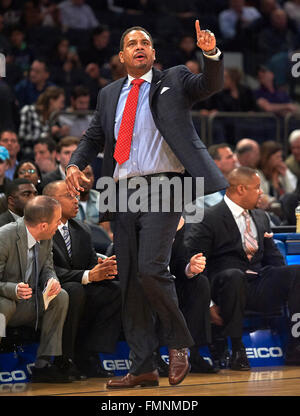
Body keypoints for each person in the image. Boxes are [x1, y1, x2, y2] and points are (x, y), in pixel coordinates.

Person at [66, 22, 227, 389]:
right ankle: (142, 366)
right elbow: (93, 136)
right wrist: (75, 163)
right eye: (131, 44)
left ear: (153, 54)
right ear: (121, 56)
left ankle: (179, 343)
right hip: (121, 190)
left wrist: (211, 55)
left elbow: (209, 85)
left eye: (146, 43)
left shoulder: (174, 78)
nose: (139, 47)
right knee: (131, 282)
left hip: (164, 185)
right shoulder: (108, 94)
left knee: (152, 268)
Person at [185, 167, 300, 370]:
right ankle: (237, 349)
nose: (261, 193)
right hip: (223, 286)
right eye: (256, 188)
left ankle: (296, 346)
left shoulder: (261, 217)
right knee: (234, 276)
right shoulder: (209, 217)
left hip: (256, 282)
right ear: (240, 189)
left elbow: (273, 259)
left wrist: (285, 281)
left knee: (296, 272)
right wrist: (209, 304)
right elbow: (194, 263)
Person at [43, 180, 121, 379]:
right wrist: (88, 275)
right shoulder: (41, 229)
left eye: (76, 195)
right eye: (69, 196)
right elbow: (47, 270)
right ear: (51, 202)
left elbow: (90, 263)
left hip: (77, 287)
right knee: (73, 291)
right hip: (46, 291)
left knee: (115, 290)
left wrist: (104, 269)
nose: (76, 200)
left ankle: (90, 356)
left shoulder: (83, 229)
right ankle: (64, 359)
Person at [0, 195, 71, 383]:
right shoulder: (4, 237)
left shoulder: (46, 237)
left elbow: (48, 268)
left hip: (30, 303)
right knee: (4, 306)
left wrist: (52, 281)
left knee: (60, 296)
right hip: (7, 302)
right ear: (43, 225)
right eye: (57, 221)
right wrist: (14, 289)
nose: (59, 225)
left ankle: (44, 364)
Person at [18, 86, 67, 158]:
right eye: (61, 102)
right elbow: (22, 137)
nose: (62, 106)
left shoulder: (54, 118)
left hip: (49, 156)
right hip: (29, 155)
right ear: (52, 101)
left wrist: (61, 134)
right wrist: (49, 132)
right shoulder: (28, 110)